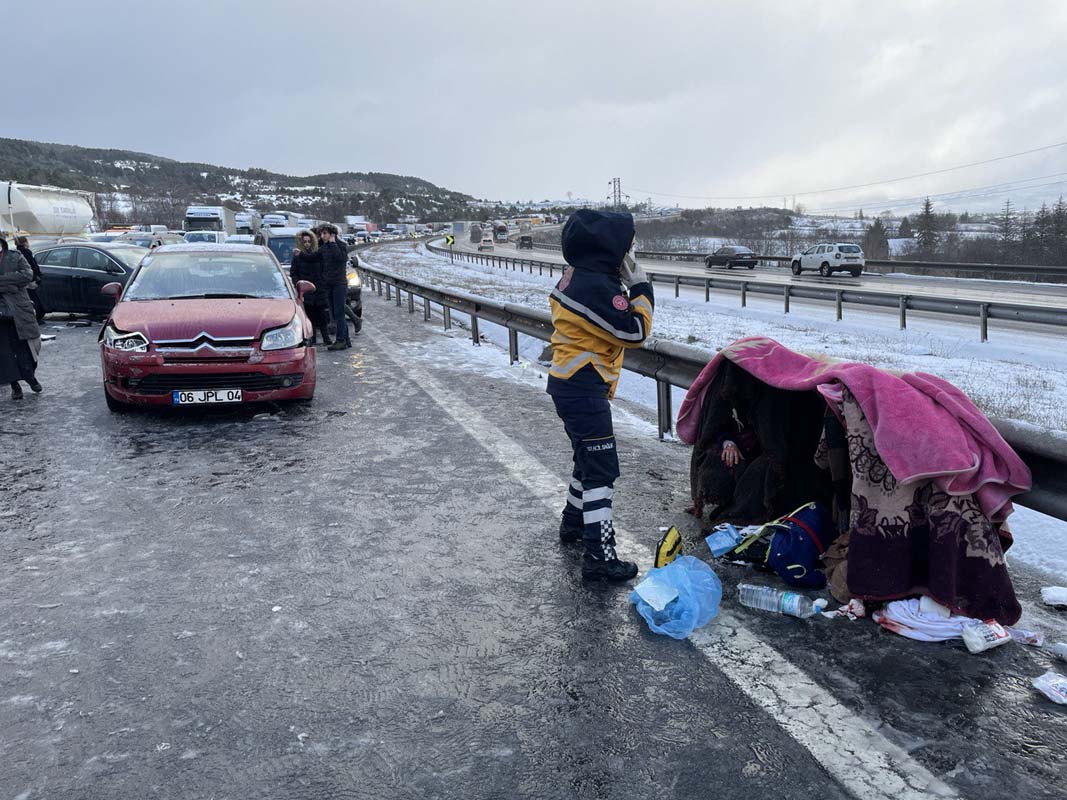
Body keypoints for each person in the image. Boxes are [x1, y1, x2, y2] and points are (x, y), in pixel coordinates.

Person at [547, 209, 654, 582]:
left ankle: (573, 523)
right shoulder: (594, 287)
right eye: (628, 246)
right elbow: (635, 331)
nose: (631, 252)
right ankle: (599, 555)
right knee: (602, 472)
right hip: (582, 387)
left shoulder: (579, 275)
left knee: (587, 461)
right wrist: (641, 287)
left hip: (570, 383)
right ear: (608, 248)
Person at [0, 237, 43, 400]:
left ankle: (30, 377)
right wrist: (11, 285)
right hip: (1, 315)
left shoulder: (15, 256)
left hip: (19, 310)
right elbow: (19, 279)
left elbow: (27, 275)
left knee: (27, 348)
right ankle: (15, 386)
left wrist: (2, 282)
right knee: (5, 353)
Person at [289, 229, 332, 345]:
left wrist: (322, 282)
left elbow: (324, 269)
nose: (307, 244)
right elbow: (294, 273)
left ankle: (326, 337)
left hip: (319, 288)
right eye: (305, 242)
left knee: (322, 315)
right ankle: (312, 338)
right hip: (305, 290)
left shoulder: (317, 254)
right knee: (309, 315)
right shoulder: (297, 257)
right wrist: (298, 284)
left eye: (309, 241)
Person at [317, 224, 351, 351]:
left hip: (339, 284)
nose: (323, 236)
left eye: (325, 234)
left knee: (339, 313)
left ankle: (341, 340)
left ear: (332, 235)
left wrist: (333, 244)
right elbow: (315, 258)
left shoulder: (340, 245)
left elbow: (341, 258)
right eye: (322, 234)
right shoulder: (323, 247)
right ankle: (346, 340)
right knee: (334, 313)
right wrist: (301, 255)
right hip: (328, 284)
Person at [14, 236, 45, 322]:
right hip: (30, 279)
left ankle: (36, 316)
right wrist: (36, 276)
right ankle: (36, 317)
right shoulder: (26, 252)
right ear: (25, 242)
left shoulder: (16, 253)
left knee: (30, 298)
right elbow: (32, 266)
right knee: (33, 298)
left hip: (23, 279)